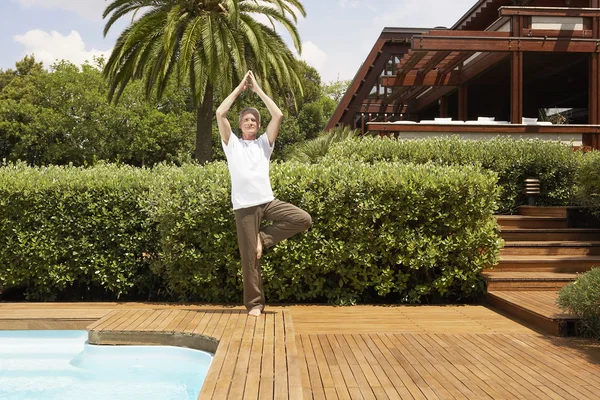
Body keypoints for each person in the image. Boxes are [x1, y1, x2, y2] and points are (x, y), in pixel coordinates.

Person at [216, 70, 312, 317]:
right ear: (240, 124)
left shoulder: (264, 145)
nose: (250, 122)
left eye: (254, 121)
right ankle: (255, 305)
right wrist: (239, 89)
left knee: (302, 219)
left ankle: (264, 238)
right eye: (246, 119)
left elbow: (278, 114)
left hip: (267, 202)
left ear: (259, 126)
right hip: (244, 208)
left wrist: (257, 90)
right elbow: (220, 113)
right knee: (250, 261)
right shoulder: (232, 144)